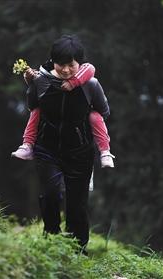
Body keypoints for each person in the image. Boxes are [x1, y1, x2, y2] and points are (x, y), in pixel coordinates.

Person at [22, 34, 111, 252]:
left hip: (80, 152)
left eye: (71, 65)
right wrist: (30, 84)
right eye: (61, 65)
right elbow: (32, 105)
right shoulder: (42, 80)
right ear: (53, 61)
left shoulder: (91, 85)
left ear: (79, 62)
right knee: (50, 194)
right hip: (47, 148)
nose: (66, 70)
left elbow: (104, 111)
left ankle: (77, 250)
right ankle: (51, 240)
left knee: (77, 205)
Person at [11, 64, 115, 168]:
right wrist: (31, 81)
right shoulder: (44, 77)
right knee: (37, 112)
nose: (65, 70)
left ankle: (105, 152)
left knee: (94, 116)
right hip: (55, 130)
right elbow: (32, 104)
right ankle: (27, 145)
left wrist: (73, 83)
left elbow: (90, 68)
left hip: (80, 127)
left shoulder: (88, 80)